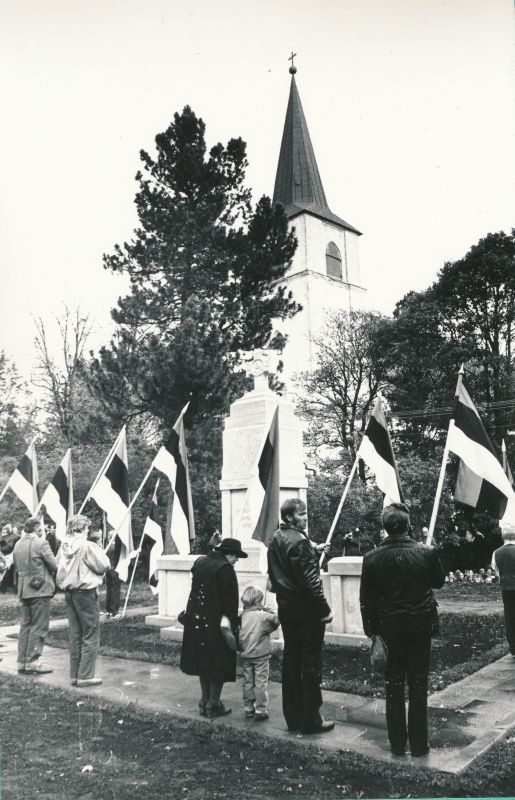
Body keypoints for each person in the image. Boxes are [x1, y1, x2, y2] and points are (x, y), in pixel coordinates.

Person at [360, 502, 445, 757]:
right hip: (418, 627)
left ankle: (398, 744)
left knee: (394, 686)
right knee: (418, 686)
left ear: (385, 527)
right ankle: (419, 745)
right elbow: (438, 581)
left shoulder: (372, 557)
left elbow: (367, 600)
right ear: (407, 525)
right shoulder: (424, 552)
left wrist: (372, 632)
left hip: (390, 630)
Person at [267, 498, 334, 734]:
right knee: (311, 662)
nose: (305, 518)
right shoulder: (299, 543)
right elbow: (311, 582)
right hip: (307, 610)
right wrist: (324, 610)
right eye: (301, 514)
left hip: (286, 607)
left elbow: (284, 566)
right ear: (288, 518)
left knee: (291, 660)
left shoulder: (277, 537)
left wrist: (312, 551)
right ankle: (312, 720)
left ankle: (293, 717)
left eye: (306, 514)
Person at [180, 537, 247, 718]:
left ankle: (204, 701)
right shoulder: (225, 569)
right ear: (229, 554)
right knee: (218, 663)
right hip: (216, 624)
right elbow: (230, 602)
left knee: (203, 662)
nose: (237, 561)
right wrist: (233, 624)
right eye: (236, 556)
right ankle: (214, 703)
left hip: (196, 621)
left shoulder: (201, 562)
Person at [56, 514, 111, 687]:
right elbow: (104, 565)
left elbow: (58, 566)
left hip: (69, 592)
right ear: (82, 528)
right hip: (86, 593)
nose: (88, 531)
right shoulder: (87, 546)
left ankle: (75, 674)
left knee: (76, 633)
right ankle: (86, 675)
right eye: (87, 528)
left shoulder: (63, 546)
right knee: (91, 633)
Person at [12, 516, 57, 674]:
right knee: (39, 625)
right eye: (42, 528)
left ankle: (22, 661)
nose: (43, 530)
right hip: (40, 589)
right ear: (38, 528)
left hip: (24, 589)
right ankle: (32, 661)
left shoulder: (17, 544)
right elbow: (54, 565)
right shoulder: (41, 542)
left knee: (25, 626)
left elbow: (17, 566)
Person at [238, 585, 280, 721]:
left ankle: (248, 708)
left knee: (248, 682)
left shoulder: (242, 616)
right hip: (261, 656)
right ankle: (260, 709)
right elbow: (277, 620)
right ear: (257, 602)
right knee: (261, 683)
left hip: (246, 655)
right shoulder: (262, 616)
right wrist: (268, 609)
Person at [491, 520, 515, 657]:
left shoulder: (496, 553)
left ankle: (513, 647)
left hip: (506, 588)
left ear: (503, 537)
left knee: (510, 616)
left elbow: (496, 569)